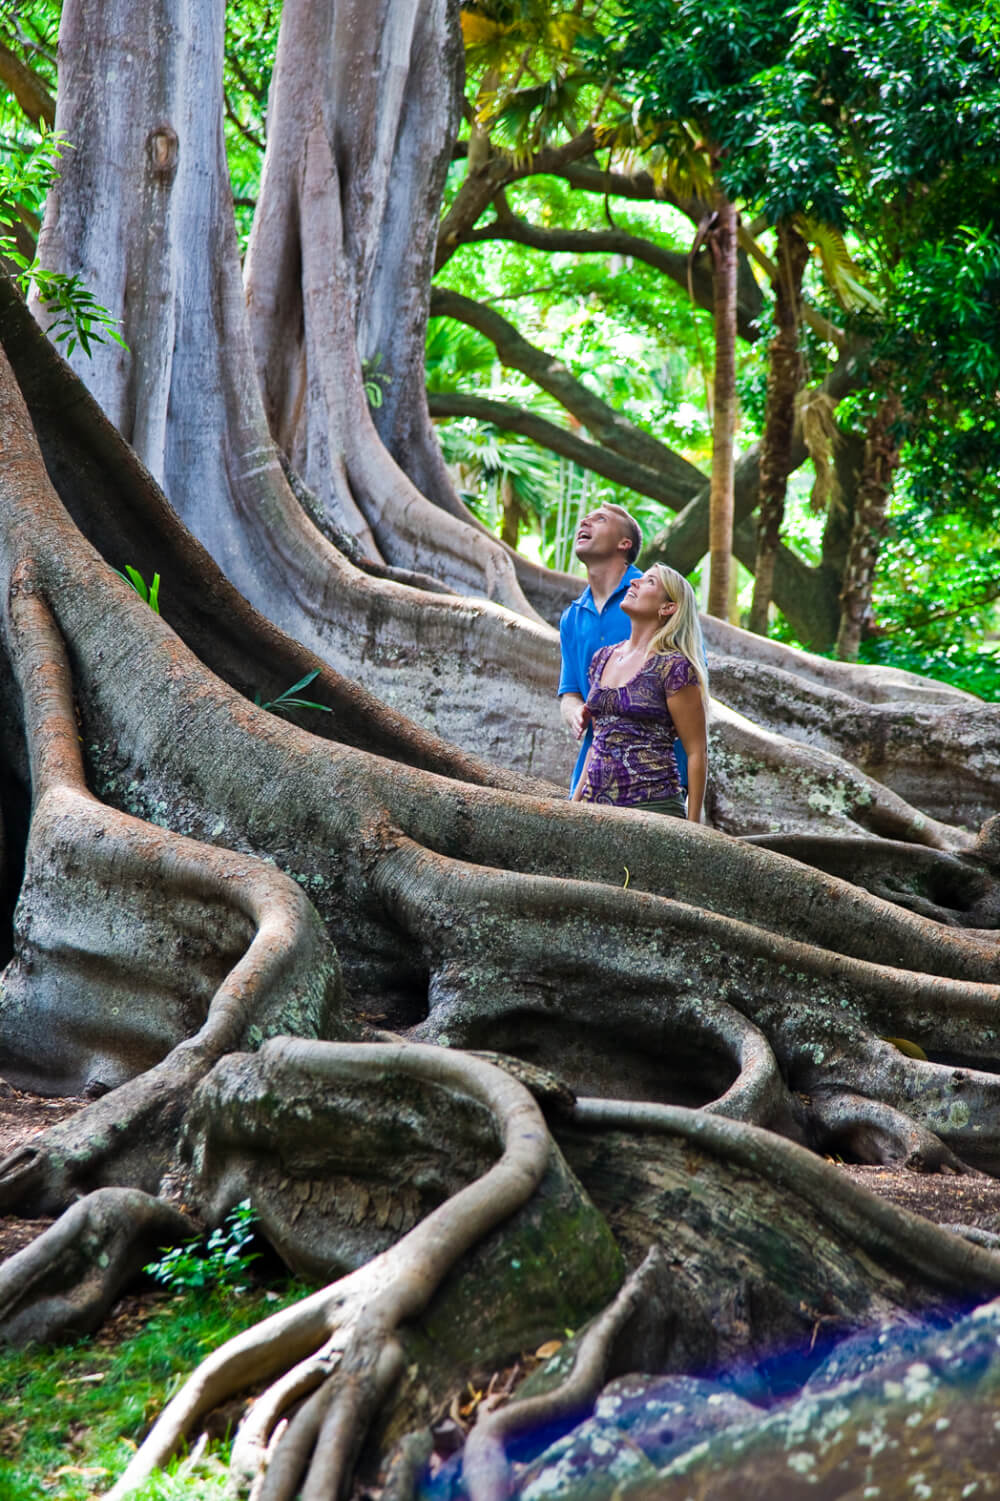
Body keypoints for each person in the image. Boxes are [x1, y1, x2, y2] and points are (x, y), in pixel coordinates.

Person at [558, 503, 690, 796]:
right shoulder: (573, 616)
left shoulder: (656, 597)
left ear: (624, 543)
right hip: (592, 781)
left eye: (600, 519)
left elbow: (692, 685)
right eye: (586, 518)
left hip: (659, 784)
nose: (585, 521)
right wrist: (576, 712)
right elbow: (569, 692)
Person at [571, 564, 709, 822]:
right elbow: (599, 740)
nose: (633, 583)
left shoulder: (675, 667)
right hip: (594, 809)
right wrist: (574, 806)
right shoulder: (602, 658)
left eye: (649, 582)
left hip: (652, 811)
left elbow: (696, 752)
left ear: (667, 607)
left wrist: (693, 829)